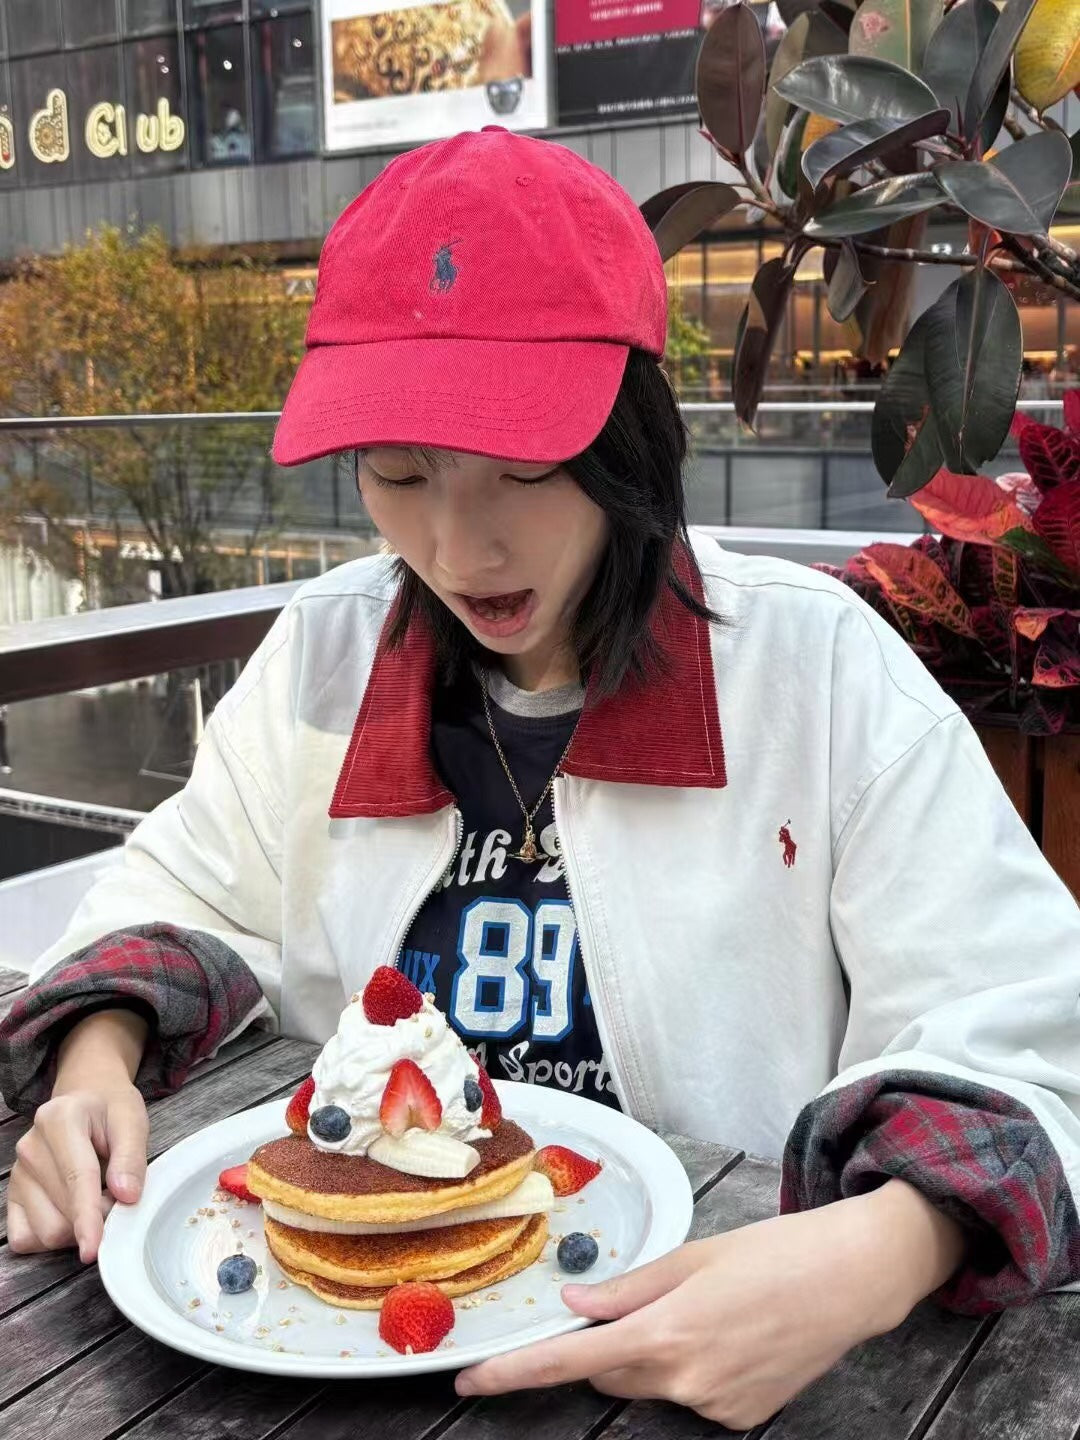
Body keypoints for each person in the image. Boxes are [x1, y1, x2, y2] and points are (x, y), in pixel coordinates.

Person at [2, 127, 1080, 1430]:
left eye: (522, 468)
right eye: (399, 474)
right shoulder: (332, 658)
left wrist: (876, 1254)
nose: (460, 549)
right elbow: (180, 895)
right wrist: (93, 1069)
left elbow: (1024, 1027)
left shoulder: (814, 670)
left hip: (708, 1355)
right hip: (326, 1357)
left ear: (632, 439)